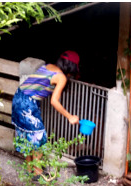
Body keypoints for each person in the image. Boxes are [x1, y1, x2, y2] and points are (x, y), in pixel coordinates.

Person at [11, 50, 81, 178]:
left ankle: (30, 169)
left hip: (18, 97)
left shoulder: (49, 66)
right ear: (72, 67)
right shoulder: (61, 77)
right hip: (28, 104)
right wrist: (70, 117)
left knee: (28, 136)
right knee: (39, 137)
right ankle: (38, 173)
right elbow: (54, 101)